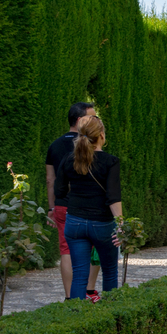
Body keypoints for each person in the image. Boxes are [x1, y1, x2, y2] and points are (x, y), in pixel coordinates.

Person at [54, 116, 123, 301]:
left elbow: (59, 191)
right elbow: (113, 197)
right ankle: (110, 315)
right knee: (109, 271)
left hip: (74, 222)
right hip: (102, 224)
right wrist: (122, 224)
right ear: (101, 135)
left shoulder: (69, 160)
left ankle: (77, 317)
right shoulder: (110, 161)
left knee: (79, 275)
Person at [46, 102, 101, 300]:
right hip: (87, 206)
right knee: (94, 248)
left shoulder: (54, 145)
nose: (96, 121)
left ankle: (70, 296)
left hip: (62, 205)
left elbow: (50, 179)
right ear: (80, 121)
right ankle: (88, 291)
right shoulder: (91, 144)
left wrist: (51, 207)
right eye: (93, 118)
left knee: (66, 250)